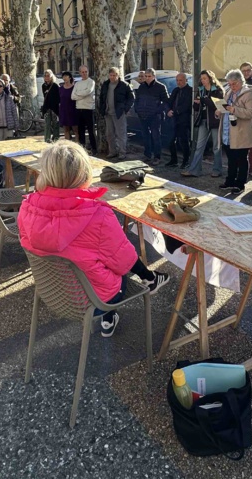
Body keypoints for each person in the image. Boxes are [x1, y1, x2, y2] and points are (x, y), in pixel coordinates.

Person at [16, 140, 169, 336]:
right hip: (95, 299)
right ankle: (144, 284)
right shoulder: (97, 215)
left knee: (94, 257)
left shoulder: (28, 207)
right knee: (115, 259)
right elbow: (122, 263)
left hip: (52, 293)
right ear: (84, 173)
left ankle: (134, 294)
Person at [216, 69, 252, 193]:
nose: (231, 86)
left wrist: (234, 110)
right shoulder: (228, 92)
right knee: (231, 159)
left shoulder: (249, 94)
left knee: (241, 159)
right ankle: (230, 181)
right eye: (229, 84)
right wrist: (219, 111)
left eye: (234, 84)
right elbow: (224, 107)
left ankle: (240, 184)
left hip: (241, 133)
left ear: (241, 81)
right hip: (227, 131)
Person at [181, 69, 224, 178]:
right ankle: (194, 170)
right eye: (202, 79)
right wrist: (196, 104)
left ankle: (217, 170)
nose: (203, 81)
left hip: (215, 121)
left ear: (210, 78)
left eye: (205, 78)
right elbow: (196, 107)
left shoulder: (217, 90)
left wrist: (204, 100)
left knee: (216, 147)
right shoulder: (201, 90)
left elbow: (218, 106)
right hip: (203, 120)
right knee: (199, 146)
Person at [135, 68, 170, 165]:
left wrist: (158, 110)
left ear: (154, 76)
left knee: (156, 137)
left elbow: (166, 101)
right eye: (145, 76)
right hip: (143, 115)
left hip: (155, 116)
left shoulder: (160, 87)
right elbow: (137, 99)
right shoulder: (141, 87)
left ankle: (157, 157)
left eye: (149, 76)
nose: (147, 78)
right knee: (145, 136)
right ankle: (147, 155)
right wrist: (137, 109)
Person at [99, 67, 134, 160]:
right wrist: (102, 108)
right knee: (109, 134)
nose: (112, 77)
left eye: (114, 75)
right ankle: (112, 152)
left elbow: (131, 98)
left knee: (120, 134)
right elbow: (102, 98)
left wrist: (125, 109)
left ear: (118, 75)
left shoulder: (124, 85)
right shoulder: (105, 84)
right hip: (108, 113)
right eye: (111, 75)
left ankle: (122, 152)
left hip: (119, 113)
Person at [166, 72, 193, 168]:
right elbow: (170, 102)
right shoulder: (175, 90)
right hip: (173, 120)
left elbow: (187, 105)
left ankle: (186, 161)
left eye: (181, 80)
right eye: (177, 80)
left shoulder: (190, 91)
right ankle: (174, 160)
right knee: (170, 140)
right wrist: (168, 110)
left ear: (186, 80)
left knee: (184, 141)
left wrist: (175, 111)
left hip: (184, 120)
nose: (178, 82)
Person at [72, 64, 98, 154]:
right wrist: (81, 95)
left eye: (86, 72)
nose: (84, 73)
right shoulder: (77, 83)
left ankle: (94, 148)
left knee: (91, 130)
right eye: (82, 72)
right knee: (80, 130)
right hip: (79, 109)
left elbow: (88, 92)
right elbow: (72, 96)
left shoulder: (91, 82)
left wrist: (78, 94)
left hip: (88, 109)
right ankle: (82, 148)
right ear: (80, 73)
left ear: (88, 72)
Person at [40, 70, 61, 142]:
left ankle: (56, 140)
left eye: (48, 76)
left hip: (54, 108)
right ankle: (47, 140)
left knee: (55, 125)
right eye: (45, 76)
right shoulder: (43, 86)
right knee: (47, 125)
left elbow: (58, 98)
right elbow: (45, 96)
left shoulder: (55, 85)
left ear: (51, 76)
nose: (46, 77)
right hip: (47, 108)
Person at [59, 71, 78, 141]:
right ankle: (67, 144)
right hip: (64, 111)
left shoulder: (74, 88)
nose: (65, 78)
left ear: (70, 78)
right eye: (63, 76)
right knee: (66, 130)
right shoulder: (60, 89)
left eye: (66, 76)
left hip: (73, 111)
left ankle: (77, 144)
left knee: (76, 130)